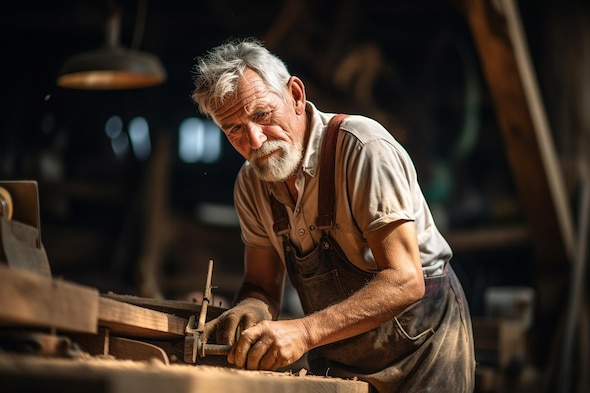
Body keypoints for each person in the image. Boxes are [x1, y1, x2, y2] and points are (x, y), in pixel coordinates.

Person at [191, 38, 475, 393]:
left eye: (262, 114)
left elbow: (405, 280)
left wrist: (303, 332)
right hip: (340, 353)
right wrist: (251, 310)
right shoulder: (251, 185)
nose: (255, 140)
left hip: (422, 348)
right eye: (233, 130)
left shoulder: (363, 148)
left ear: (295, 95)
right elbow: (261, 285)